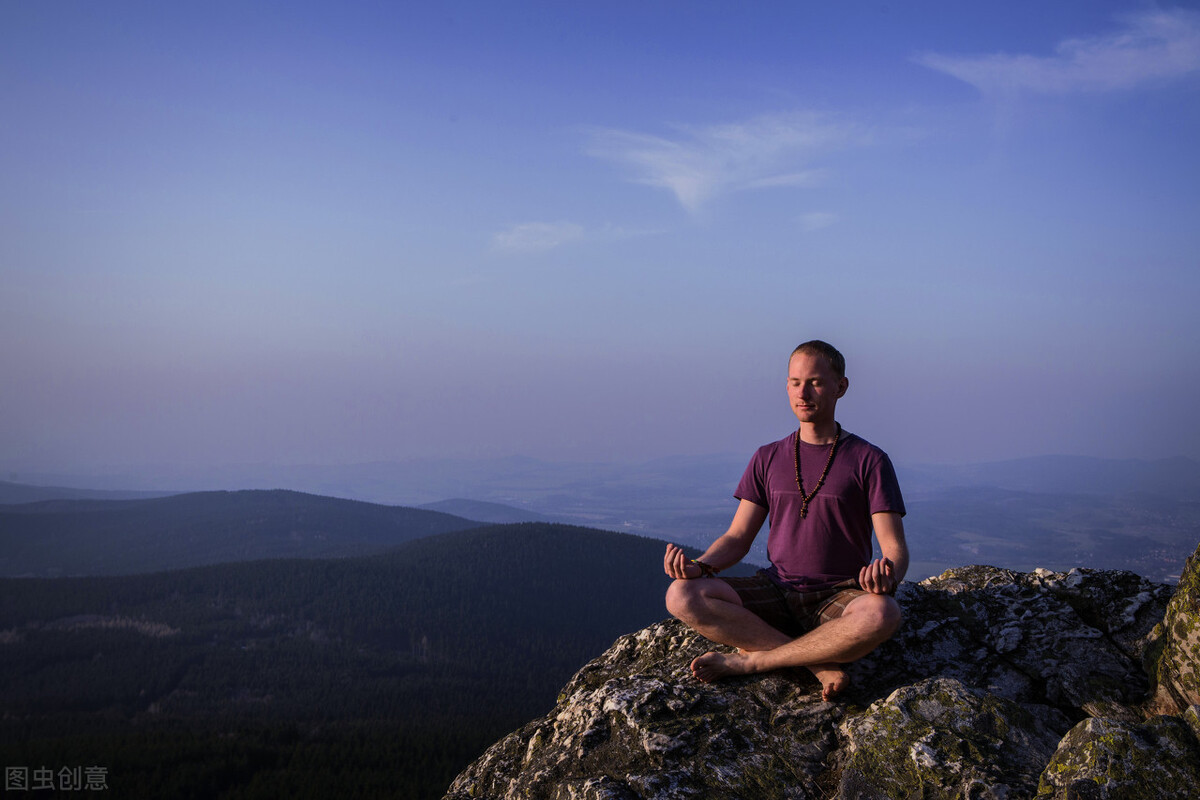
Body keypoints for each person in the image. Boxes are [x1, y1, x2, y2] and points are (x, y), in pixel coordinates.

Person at [663, 340, 908, 700]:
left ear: (840, 387)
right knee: (681, 595)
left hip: (838, 595)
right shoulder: (768, 457)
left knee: (882, 614)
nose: (803, 392)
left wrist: (887, 574)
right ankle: (815, 663)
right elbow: (738, 537)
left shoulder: (869, 459)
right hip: (777, 589)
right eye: (794, 382)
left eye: (815, 382)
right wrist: (700, 567)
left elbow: (895, 548)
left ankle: (753, 661)